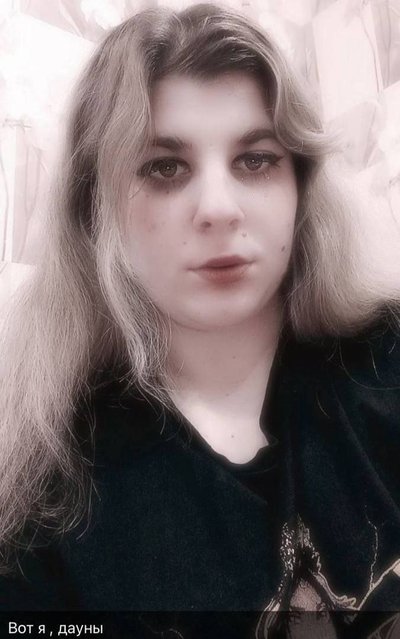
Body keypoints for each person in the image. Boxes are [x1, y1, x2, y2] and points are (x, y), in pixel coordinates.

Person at [0, 2, 399, 637]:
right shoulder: (41, 492)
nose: (218, 208)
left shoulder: (388, 365)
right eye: (165, 167)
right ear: (94, 208)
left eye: (256, 159)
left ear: (301, 184)